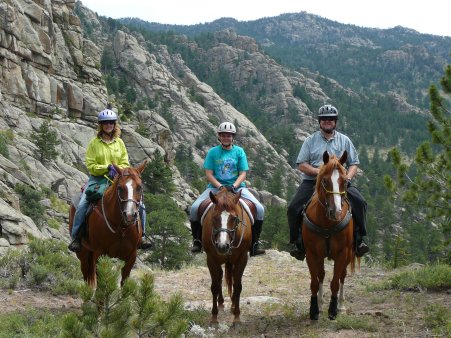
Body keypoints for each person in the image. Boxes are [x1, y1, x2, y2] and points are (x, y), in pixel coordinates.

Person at [287, 104, 370, 260]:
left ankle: (359, 239)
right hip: (313, 182)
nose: (327, 121)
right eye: (324, 119)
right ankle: (297, 242)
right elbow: (301, 164)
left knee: (360, 203)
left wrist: (348, 177)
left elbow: (354, 163)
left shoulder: (344, 140)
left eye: (330, 119)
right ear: (319, 122)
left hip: (339, 182)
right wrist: (320, 172)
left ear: (335, 122)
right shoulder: (310, 141)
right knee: (293, 207)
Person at [68, 109, 152, 252]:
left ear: (115, 125)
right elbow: (91, 165)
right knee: (82, 204)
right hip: (98, 179)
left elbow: (125, 162)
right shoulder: (94, 144)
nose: (108, 125)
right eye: (105, 123)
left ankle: (142, 235)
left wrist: (120, 171)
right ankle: (76, 238)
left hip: (119, 178)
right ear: (101, 125)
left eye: (111, 123)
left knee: (140, 205)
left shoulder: (119, 143)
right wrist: (106, 168)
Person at [189, 122, 266, 256]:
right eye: (223, 135)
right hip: (215, 188)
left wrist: (234, 186)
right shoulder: (213, 152)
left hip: (236, 188)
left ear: (233, 137)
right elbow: (209, 173)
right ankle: (197, 241)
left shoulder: (239, 151)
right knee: (195, 208)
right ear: (219, 137)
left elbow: (243, 173)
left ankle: (255, 243)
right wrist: (220, 186)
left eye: (229, 136)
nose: (226, 138)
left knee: (259, 209)